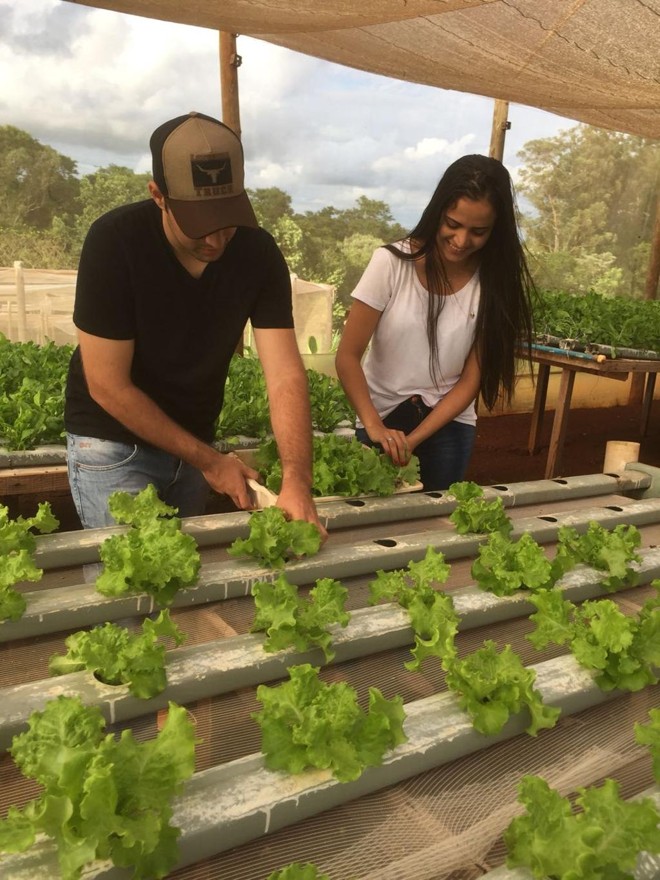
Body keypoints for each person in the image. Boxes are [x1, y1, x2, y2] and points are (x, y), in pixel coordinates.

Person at [65, 110, 324, 537]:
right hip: (112, 443)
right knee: (133, 588)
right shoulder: (115, 242)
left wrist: (298, 478)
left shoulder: (258, 254)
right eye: (200, 225)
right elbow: (107, 385)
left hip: (194, 443)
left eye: (228, 222)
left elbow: (283, 374)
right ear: (158, 195)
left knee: (183, 584)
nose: (216, 240)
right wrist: (210, 461)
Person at [335, 154, 534, 491]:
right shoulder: (391, 264)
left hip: (449, 428)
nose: (461, 240)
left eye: (478, 232)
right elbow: (347, 356)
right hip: (379, 419)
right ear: (437, 212)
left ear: (496, 230)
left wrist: (414, 440)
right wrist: (375, 427)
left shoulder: (494, 284)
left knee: (434, 528)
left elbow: (471, 379)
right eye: (452, 224)